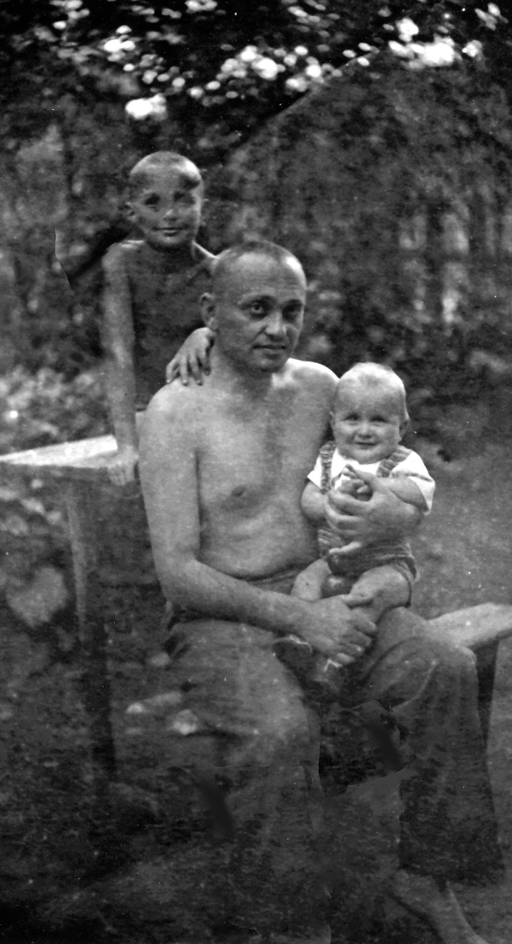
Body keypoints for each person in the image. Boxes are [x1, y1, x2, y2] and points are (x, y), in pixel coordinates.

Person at [140, 240, 500, 943]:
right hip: (222, 615)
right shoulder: (174, 413)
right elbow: (177, 573)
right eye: (256, 309)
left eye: (291, 310)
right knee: (282, 733)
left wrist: (391, 521)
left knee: (447, 668)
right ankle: (293, 926)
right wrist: (300, 617)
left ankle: (426, 877)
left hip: (331, 589)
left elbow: (388, 463)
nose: (277, 327)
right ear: (211, 312)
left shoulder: (319, 388)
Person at [277, 362, 435, 697]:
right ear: (333, 422)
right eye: (352, 419)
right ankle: (298, 640)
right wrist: (329, 504)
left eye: (378, 420)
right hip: (333, 558)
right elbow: (308, 499)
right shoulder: (329, 458)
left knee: (367, 596)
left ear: (402, 427)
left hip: (386, 562)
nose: (364, 431)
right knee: (306, 581)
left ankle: (335, 662)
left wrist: (383, 485)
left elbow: (423, 492)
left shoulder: (403, 462)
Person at [100, 151, 216, 485]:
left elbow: (242, 344)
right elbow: (118, 353)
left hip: (208, 411)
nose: (170, 215)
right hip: (145, 414)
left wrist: (205, 335)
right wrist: (126, 447)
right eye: (153, 203)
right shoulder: (121, 264)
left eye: (183, 201)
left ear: (203, 206)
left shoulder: (218, 271)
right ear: (131, 211)